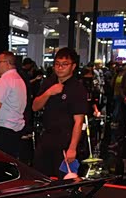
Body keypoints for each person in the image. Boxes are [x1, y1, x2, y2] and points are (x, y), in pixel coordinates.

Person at [31, 48, 88, 178]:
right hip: (47, 136)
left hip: (66, 139)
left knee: (65, 178)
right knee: (40, 176)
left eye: (64, 64)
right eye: (57, 64)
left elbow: (79, 122)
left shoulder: (77, 88)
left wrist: (72, 148)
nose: (60, 68)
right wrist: (49, 92)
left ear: (73, 66)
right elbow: (35, 107)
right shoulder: (49, 82)